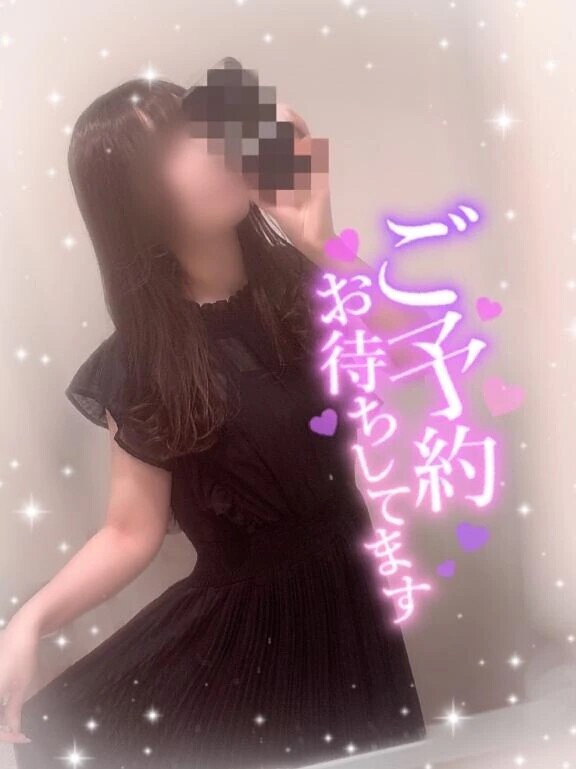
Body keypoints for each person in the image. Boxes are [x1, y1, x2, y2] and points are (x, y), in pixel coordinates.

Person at [1, 76, 427, 769]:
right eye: (175, 145)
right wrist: (29, 621)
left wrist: (321, 240)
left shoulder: (308, 284)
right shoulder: (140, 365)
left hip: (355, 611)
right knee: (65, 743)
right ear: (134, 198)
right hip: (244, 647)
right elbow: (129, 531)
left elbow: (421, 352)